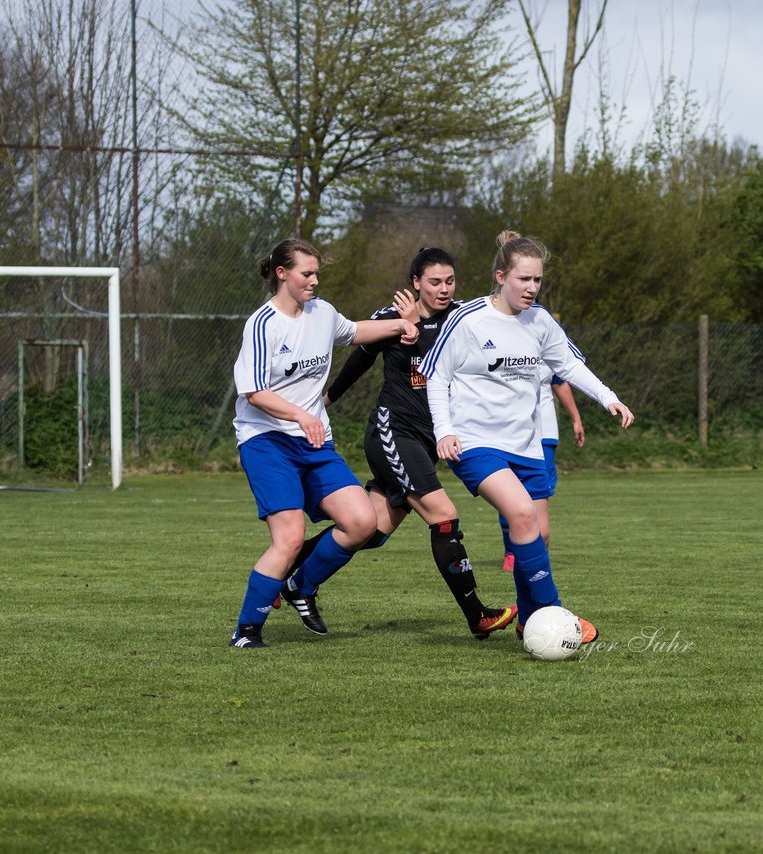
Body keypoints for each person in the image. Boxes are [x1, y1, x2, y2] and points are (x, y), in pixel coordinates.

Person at [285, 247, 517, 640]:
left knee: (371, 530)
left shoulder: (462, 318)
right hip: (393, 432)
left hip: (427, 441)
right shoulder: (391, 317)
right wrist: (328, 399)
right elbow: (360, 359)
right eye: (434, 282)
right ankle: (477, 615)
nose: (443, 290)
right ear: (415, 283)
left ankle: (293, 574)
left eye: (449, 281)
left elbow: (462, 358)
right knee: (443, 517)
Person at [421, 231, 634, 644]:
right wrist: (444, 432)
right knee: (520, 514)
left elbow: (570, 366)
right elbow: (435, 377)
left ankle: (529, 620)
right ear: (501, 276)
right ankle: (556, 612)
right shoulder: (466, 319)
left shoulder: (541, 321)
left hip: (526, 444)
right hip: (474, 443)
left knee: (538, 532)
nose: (532, 288)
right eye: (524, 280)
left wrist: (609, 398)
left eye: (537, 280)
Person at [229, 238, 419, 649]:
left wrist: (403, 324)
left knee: (362, 522)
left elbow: (354, 332)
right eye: (307, 273)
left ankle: (300, 585)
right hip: (267, 442)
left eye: (317, 273)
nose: (314, 280)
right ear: (282, 274)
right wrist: (301, 414)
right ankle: (246, 631)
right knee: (290, 537)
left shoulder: (322, 313)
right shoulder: (263, 325)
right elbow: (255, 392)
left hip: (314, 443)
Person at [501, 366, 584, 571]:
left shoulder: (549, 341)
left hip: (544, 431)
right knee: (508, 492)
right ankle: (511, 551)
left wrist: (576, 419)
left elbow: (560, 381)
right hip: (509, 432)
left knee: (539, 493)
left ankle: (537, 555)